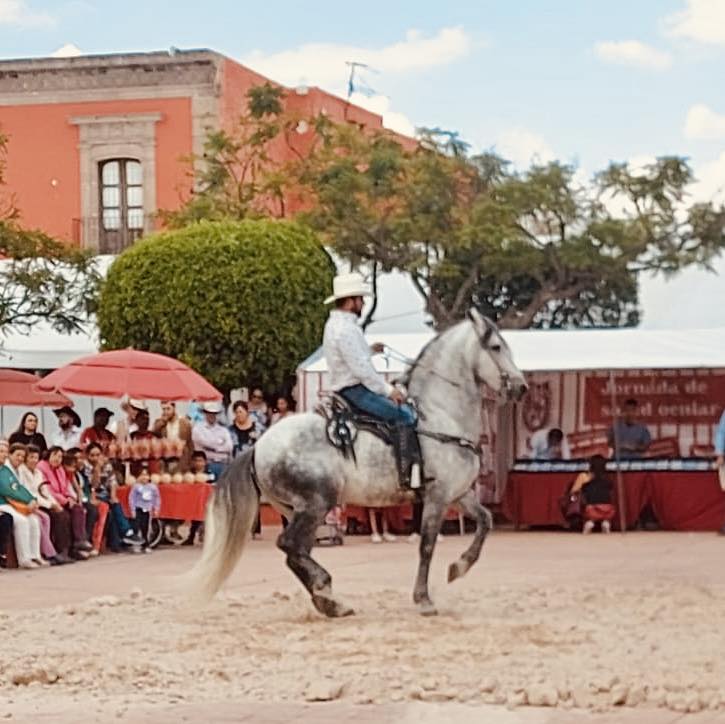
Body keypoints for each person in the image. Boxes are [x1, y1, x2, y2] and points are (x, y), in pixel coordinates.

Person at [322, 272, 419, 486]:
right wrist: (388, 390)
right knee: (405, 415)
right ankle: (406, 475)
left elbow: (352, 356)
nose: (363, 303)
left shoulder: (336, 325)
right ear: (350, 301)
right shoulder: (346, 329)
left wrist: (369, 350)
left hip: (347, 387)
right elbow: (362, 370)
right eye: (360, 299)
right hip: (355, 390)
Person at [39, 446, 92, 560]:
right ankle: (63, 550)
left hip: (62, 500)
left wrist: (70, 498)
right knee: (64, 516)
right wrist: (65, 501)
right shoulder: (42, 468)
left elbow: (66, 488)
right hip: (49, 501)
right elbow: (48, 491)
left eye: (60, 457)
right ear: (49, 455)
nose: (57, 459)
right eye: (55, 455)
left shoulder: (60, 469)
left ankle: (78, 542)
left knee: (78, 509)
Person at [83, 442, 138, 551]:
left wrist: (113, 495)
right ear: (87, 456)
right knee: (110, 509)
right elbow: (93, 485)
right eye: (92, 455)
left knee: (116, 504)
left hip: (105, 495)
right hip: (93, 496)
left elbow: (112, 481)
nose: (95, 458)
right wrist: (97, 469)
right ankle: (126, 533)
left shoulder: (107, 465)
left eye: (98, 455)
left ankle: (123, 537)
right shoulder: (86, 466)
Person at [0, 442, 45, 568]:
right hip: (3, 504)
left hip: (11, 503)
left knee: (34, 520)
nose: (3, 455)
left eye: (4, 452)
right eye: (1, 452)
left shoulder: (6, 470)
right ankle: (24, 559)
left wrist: (32, 499)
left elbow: (19, 488)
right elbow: (6, 490)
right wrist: (27, 501)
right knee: (21, 521)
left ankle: (35, 555)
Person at [18, 444, 63, 565]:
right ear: (26, 458)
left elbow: (44, 491)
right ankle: (49, 552)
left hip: (40, 502)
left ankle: (45, 552)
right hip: (27, 503)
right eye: (31, 457)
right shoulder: (22, 471)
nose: (33, 460)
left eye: (36, 458)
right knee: (42, 518)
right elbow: (29, 492)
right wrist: (49, 505)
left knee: (51, 517)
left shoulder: (38, 472)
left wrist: (54, 503)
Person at [571, 455, 616, 534]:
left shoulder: (584, 477)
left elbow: (574, 491)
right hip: (608, 510)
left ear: (590, 465)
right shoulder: (608, 478)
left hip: (591, 509)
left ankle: (590, 522)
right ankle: (606, 522)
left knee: (577, 497)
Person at [192, 401, 233, 482]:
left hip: (222, 464)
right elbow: (204, 442)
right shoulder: (198, 428)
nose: (212, 415)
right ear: (205, 413)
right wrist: (220, 444)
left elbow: (229, 447)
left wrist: (214, 448)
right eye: (209, 413)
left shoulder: (223, 430)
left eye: (214, 413)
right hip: (206, 465)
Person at [152, 401, 193, 472]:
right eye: (163, 409)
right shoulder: (159, 422)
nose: (166, 412)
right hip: (166, 460)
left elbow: (189, 443)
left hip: (181, 459)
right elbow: (154, 433)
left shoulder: (184, 423)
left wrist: (189, 461)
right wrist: (163, 422)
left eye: (168, 409)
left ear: (174, 408)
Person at [128, 466, 160, 553]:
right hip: (138, 508)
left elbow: (156, 498)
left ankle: (146, 544)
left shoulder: (153, 487)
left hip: (147, 510)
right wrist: (133, 509)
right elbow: (132, 498)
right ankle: (135, 544)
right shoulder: (136, 487)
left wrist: (156, 509)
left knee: (145, 528)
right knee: (136, 526)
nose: (144, 477)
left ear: (149, 477)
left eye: (146, 475)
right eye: (142, 475)